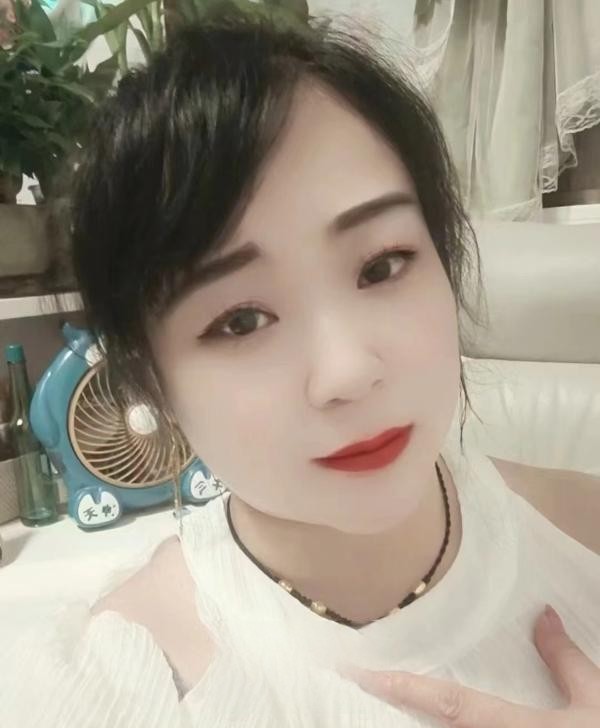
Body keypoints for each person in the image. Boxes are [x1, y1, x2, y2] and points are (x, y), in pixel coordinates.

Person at [1, 12, 599, 728]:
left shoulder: (584, 534)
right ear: (150, 380)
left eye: (382, 265)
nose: (346, 373)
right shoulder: (120, 687)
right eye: (241, 320)